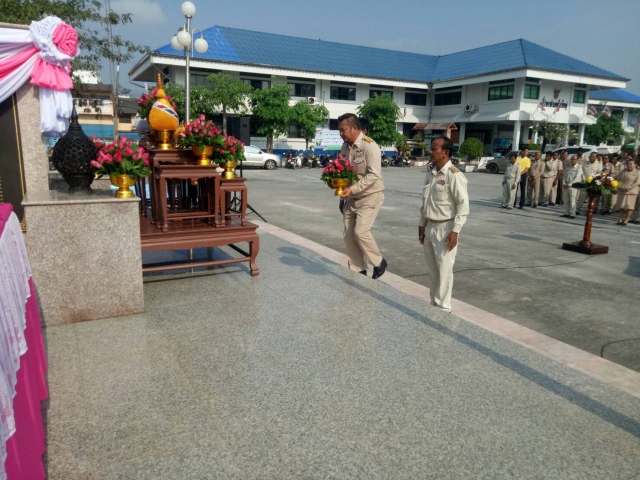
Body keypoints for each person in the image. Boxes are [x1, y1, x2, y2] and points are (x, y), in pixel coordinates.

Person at [418, 136, 469, 313]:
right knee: (432, 270)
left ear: (445, 152)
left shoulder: (454, 175)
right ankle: (434, 304)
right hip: (430, 226)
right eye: (431, 149)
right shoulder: (430, 174)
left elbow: (463, 206)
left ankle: (443, 308)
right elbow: (426, 203)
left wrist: (455, 231)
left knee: (444, 270)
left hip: (445, 228)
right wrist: (422, 224)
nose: (430, 152)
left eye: (434, 149)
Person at [333, 113, 387, 278]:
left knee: (360, 232)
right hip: (351, 198)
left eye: (343, 130)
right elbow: (343, 172)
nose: (341, 134)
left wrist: (353, 190)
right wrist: (340, 193)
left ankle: (379, 262)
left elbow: (374, 175)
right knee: (349, 235)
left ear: (354, 128)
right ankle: (358, 270)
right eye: (339, 130)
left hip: (370, 196)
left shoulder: (370, 146)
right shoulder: (345, 147)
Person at [617, 158, 639, 225]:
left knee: (629, 207)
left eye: (631, 164)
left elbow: (637, 182)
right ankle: (620, 219)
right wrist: (619, 186)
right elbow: (618, 179)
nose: (629, 165)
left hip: (631, 191)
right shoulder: (623, 171)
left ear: (635, 165)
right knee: (621, 206)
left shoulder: (637, 172)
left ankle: (626, 220)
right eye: (628, 164)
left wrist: (628, 188)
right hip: (621, 190)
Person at [561, 155, 584, 219]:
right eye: (571, 159)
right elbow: (565, 176)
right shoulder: (569, 168)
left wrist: (569, 184)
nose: (572, 160)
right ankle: (566, 212)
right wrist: (564, 183)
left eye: (574, 159)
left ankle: (572, 214)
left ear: (577, 160)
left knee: (572, 200)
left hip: (573, 186)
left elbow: (577, 178)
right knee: (566, 200)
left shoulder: (579, 169)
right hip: (566, 185)